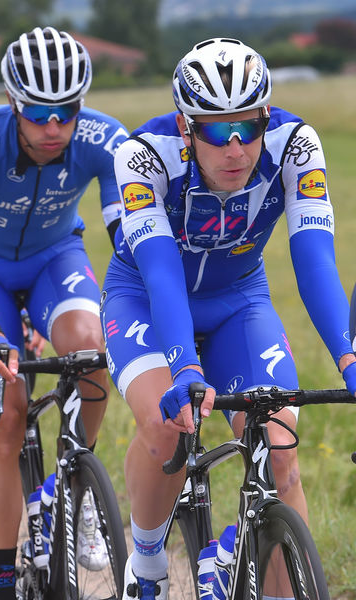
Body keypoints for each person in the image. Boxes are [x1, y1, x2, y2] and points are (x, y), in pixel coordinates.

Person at [102, 38, 356, 600]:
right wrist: (185, 367)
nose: (236, 146)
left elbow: (314, 264)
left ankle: (242, 552)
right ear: (186, 126)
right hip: (144, 297)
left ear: (268, 116)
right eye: (217, 130)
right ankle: (145, 560)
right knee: (169, 425)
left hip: (238, 298)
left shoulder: (296, 146)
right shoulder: (143, 155)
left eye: (249, 125)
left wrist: (350, 356)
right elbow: (163, 274)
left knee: (281, 452)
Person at [0, 27, 128, 598]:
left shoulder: (104, 137)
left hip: (55, 256)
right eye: (39, 113)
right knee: (6, 418)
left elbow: (129, 237)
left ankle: (75, 487)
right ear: (12, 103)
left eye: (66, 112)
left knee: (92, 348)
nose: (54, 128)